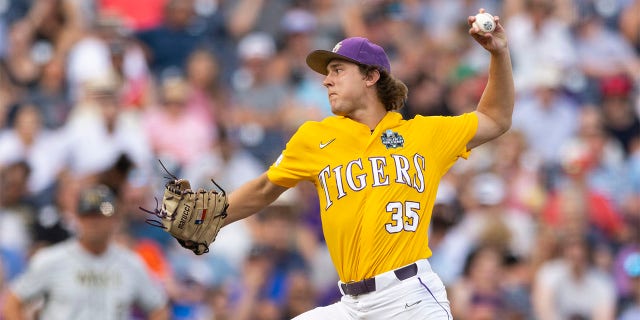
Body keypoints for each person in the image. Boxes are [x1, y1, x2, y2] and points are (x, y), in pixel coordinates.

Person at [197, 8, 513, 319]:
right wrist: (205, 219)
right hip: (352, 304)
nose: (326, 81)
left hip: (411, 298)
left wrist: (498, 55)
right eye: (327, 73)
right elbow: (265, 187)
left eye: (337, 70)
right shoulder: (315, 136)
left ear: (371, 76)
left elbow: (494, 118)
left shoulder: (424, 134)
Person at [1, 184, 169, 320]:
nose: (95, 223)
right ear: (78, 219)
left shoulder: (130, 263)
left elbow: (158, 308)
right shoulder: (51, 259)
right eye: (89, 216)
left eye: (102, 216)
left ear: (115, 220)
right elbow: (13, 302)